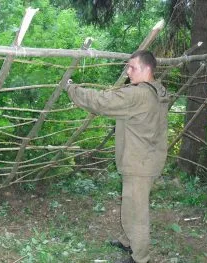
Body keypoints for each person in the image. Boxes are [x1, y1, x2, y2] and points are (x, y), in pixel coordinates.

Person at [65, 50, 169, 263]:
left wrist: (71, 89)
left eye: (133, 67)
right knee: (131, 203)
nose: (128, 71)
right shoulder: (157, 90)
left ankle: (141, 257)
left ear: (147, 69)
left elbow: (101, 102)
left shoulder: (138, 94)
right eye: (127, 66)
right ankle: (127, 241)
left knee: (137, 211)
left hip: (139, 163)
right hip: (148, 158)